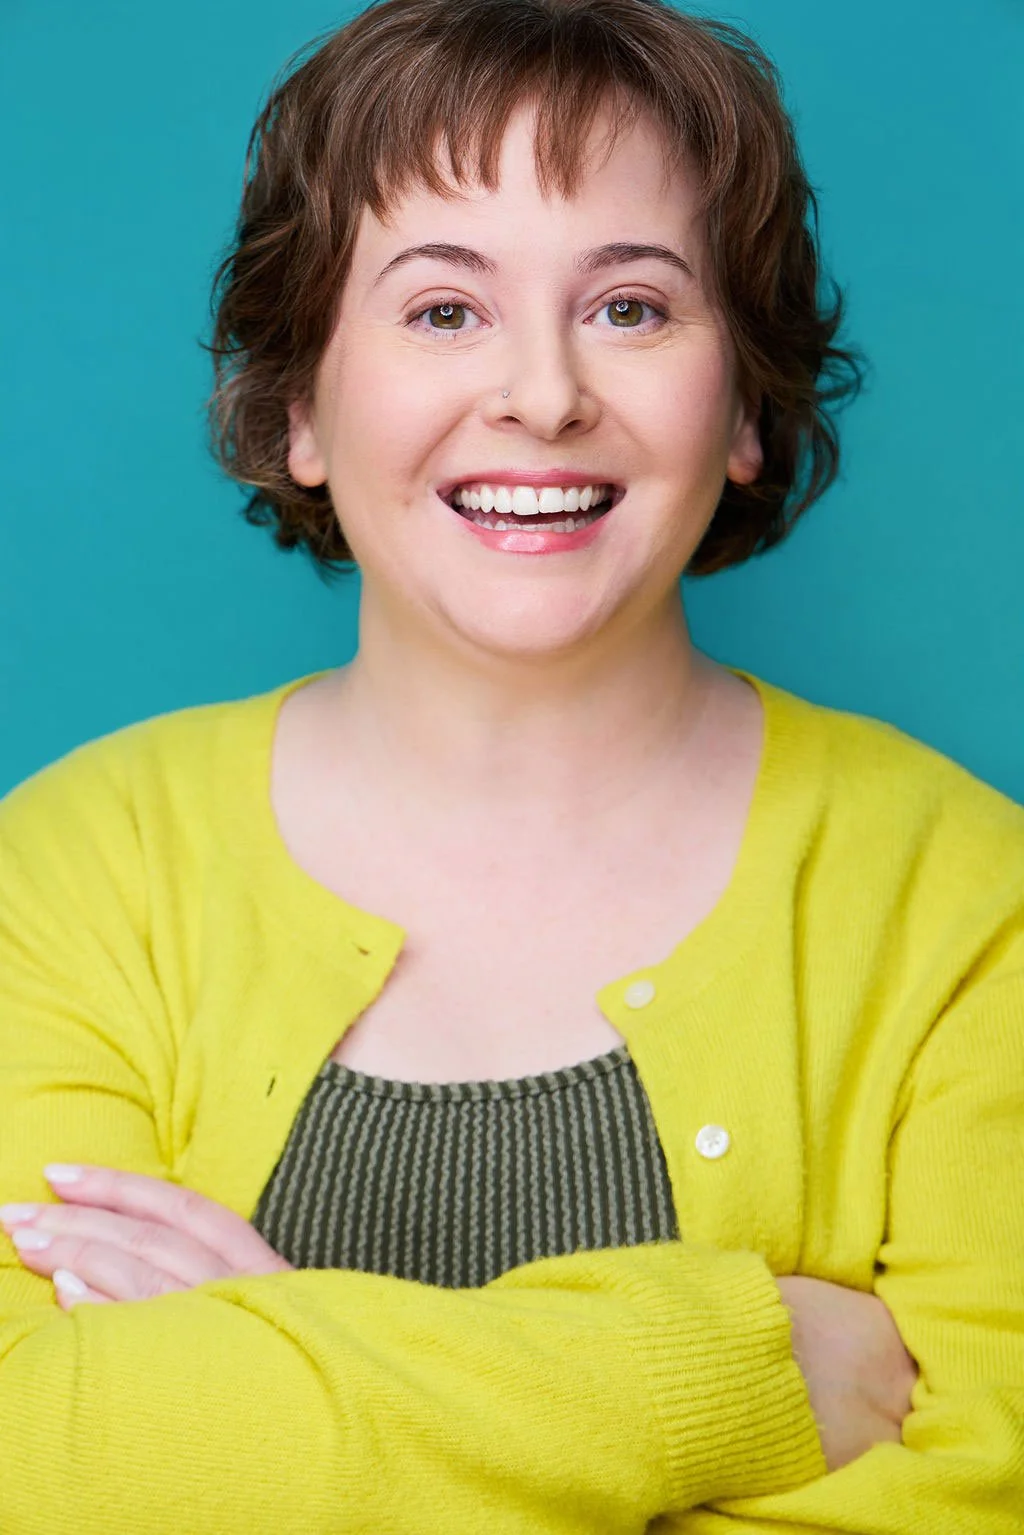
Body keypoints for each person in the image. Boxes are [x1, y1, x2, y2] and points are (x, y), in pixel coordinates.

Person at [1, 0, 1021, 1529]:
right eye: (441, 310)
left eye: (630, 307)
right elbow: (35, 1458)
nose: (543, 394)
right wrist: (736, 1371)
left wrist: (270, 1387)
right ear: (301, 408)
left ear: (742, 401)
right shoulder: (73, 866)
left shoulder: (964, 899)